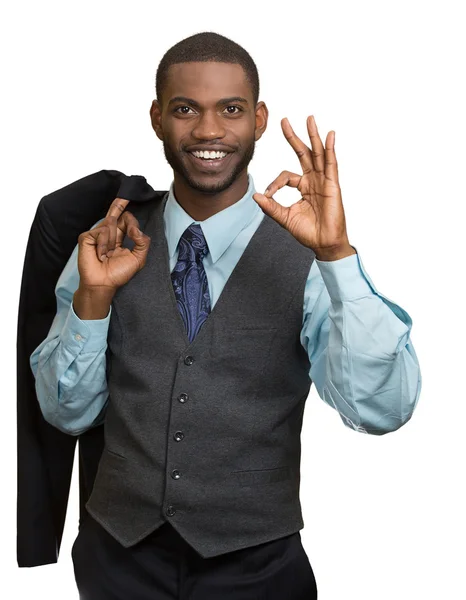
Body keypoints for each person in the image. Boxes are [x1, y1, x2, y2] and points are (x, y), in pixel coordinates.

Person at [29, 31, 421, 599]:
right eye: (186, 109)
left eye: (230, 110)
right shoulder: (106, 242)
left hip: (258, 568)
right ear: (157, 118)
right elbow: (66, 415)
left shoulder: (310, 259)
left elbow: (382, 411)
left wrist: (336, 256)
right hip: (117, 562)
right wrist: (94, 301)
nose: (209, 131)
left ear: (259, 120)